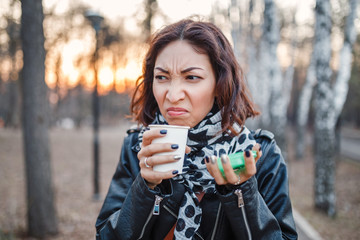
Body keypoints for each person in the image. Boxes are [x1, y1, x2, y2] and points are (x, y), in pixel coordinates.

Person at [95, 18, 298, 240]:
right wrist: (147, 187)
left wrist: (241, 193)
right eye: (162, 77)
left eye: (191, 77)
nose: (172, 96)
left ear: (220, 85)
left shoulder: (259, 154)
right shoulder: (140, 149)